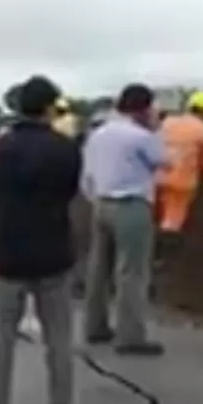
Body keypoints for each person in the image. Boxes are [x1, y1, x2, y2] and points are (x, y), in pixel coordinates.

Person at [0, 75, 83, 404]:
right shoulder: (67, 149)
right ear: (51, 107)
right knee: (60, 340)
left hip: (6, 255)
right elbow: (70, 193)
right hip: (54, 254)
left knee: (1, 340)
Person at [81, 83, 168, 356]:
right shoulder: (140, 136)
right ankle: (130, 336)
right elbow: (164, 162)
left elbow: (87, 174)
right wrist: (155, 130)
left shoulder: (98, 134)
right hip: (131, 205)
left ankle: (94, 327)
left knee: (99, 268)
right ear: (143, 108)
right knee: (131, 271)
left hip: (101, 204)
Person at [154, 91, 203, 258]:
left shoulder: (167, 122)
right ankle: (165, 252)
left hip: (156, 176)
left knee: (157, 209)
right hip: (182, 181)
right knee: (173, 215)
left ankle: (150, 240)